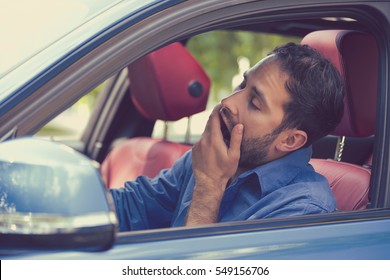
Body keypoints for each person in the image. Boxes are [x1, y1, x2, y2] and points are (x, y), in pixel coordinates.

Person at [110, 42, 344, 231]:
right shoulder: (212, 155)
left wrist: (209, 186)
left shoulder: (303, 211)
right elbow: (135, 207)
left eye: (254, 103)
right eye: (243, 84)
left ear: (289, 140)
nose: (228, 102)